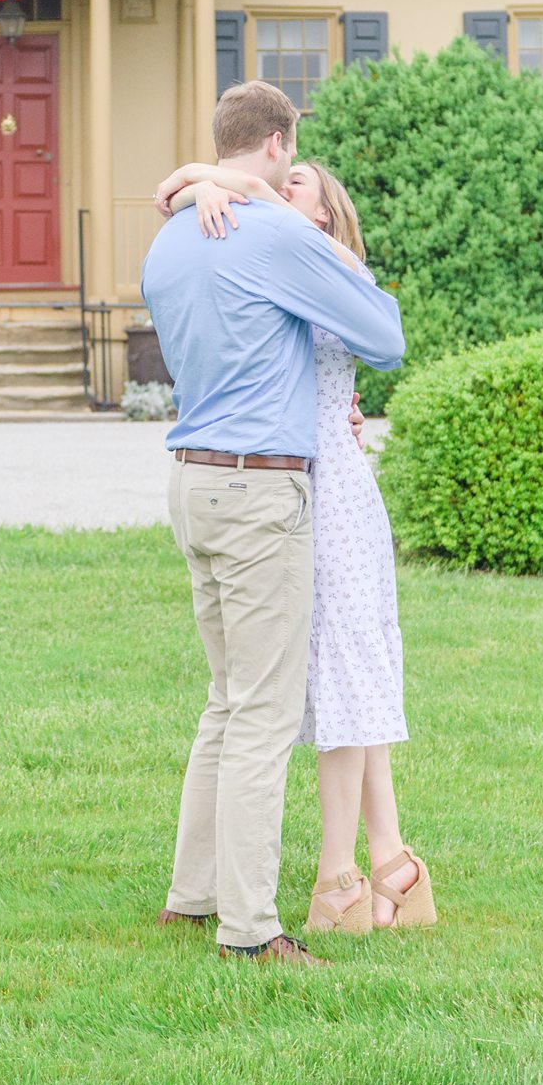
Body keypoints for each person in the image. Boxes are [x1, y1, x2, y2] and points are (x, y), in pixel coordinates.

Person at [139, 80, 405, 965]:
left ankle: (192, 894)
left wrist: (204, 184)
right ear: (281, 143)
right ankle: (250, 929)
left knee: (225, 699)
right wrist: (272, 210)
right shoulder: (277, 231)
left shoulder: (172, 238)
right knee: (262, 712)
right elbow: (384, 336)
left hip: (190, 483)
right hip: (260, 493)